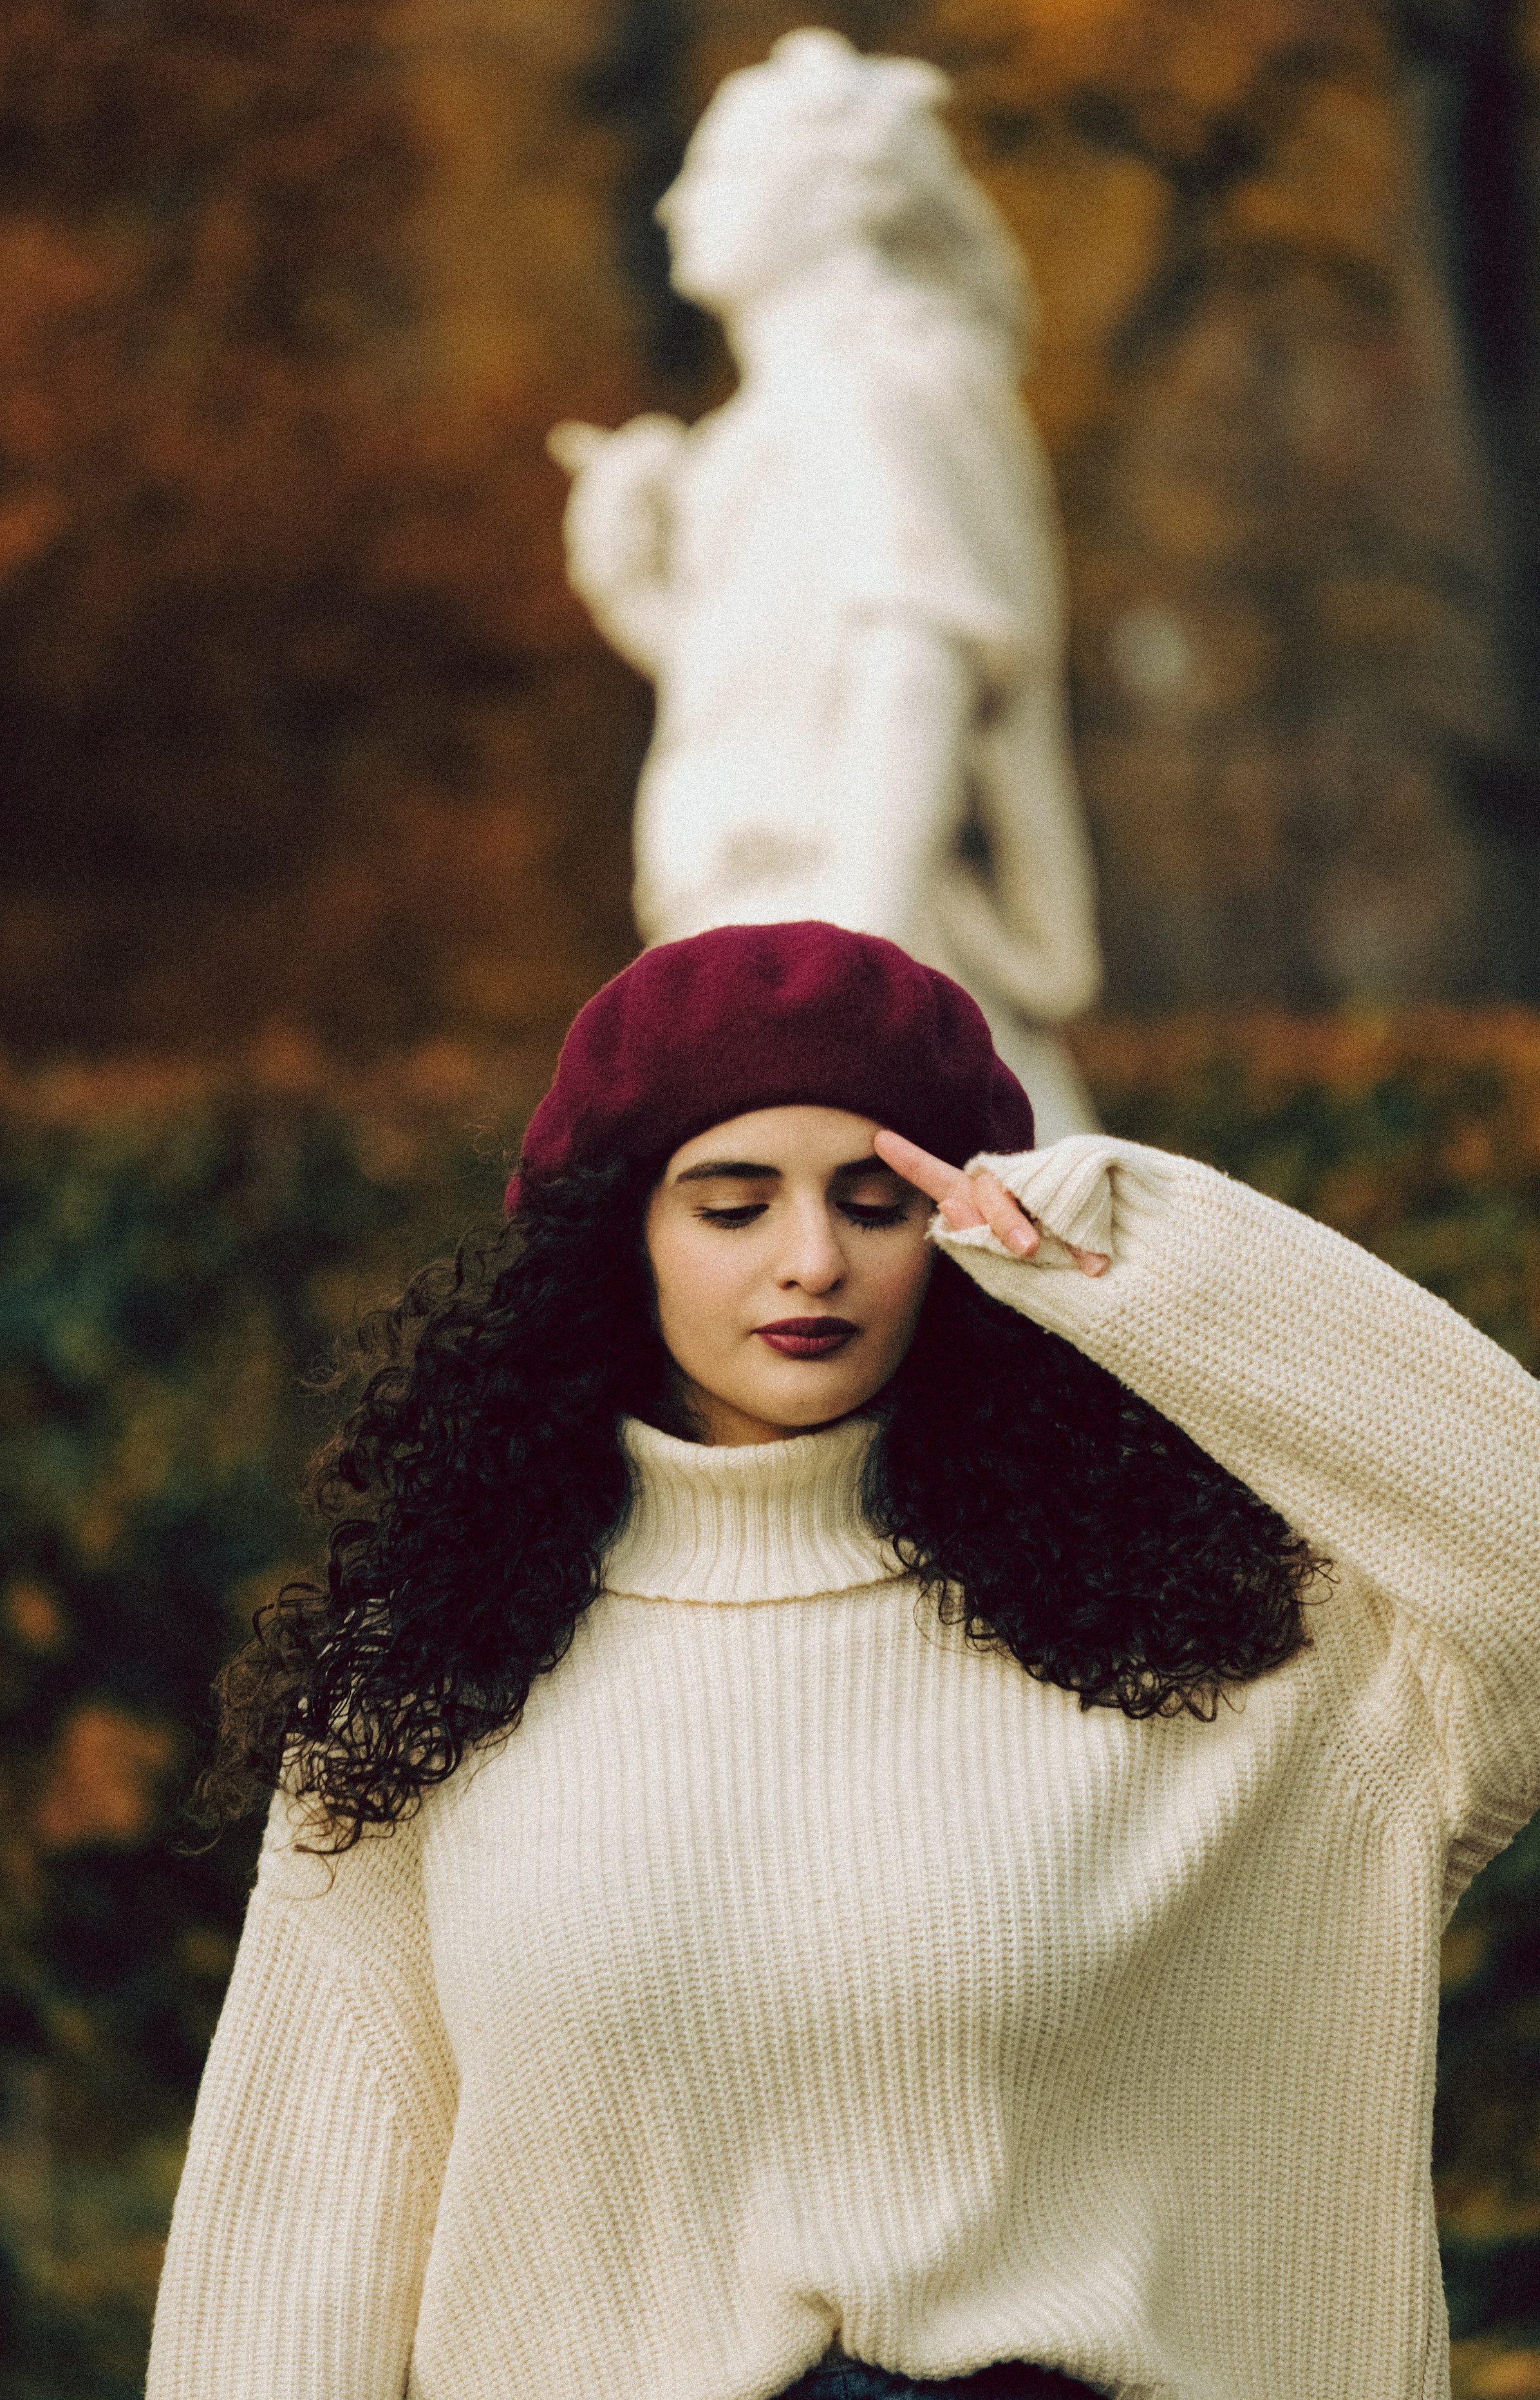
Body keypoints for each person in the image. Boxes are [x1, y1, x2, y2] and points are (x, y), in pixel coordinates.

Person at [149, 921, 1540, 2400]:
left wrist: (1125, 1248)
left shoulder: (1214, 1645)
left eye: (875, 1203)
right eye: (731, 1207)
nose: (810, 1261)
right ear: (616, 1238)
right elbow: (296, 2243)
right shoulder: (433, 1675)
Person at [550, 29, 1102, 1142]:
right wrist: (632, 589)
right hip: (760, 938)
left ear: (833, 197)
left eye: (723, 173)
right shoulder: (774, 422)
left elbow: (917, 667)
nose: (679, 203)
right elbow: (782, 699)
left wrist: (855, 975)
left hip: (832, 930)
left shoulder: (863, 390)